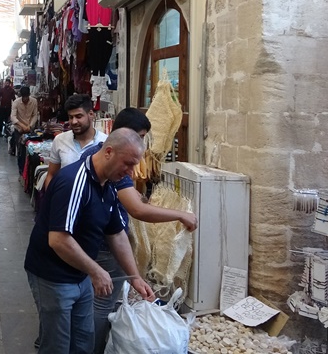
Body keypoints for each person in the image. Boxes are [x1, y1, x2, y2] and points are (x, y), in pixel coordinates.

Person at [24, 128, 155, 354]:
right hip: (52, 275)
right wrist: (95, 271)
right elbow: (58, 239)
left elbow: (116, 234)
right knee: (57, 345)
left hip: (79, 273)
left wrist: (134, 277)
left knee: (84, 341)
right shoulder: (74, 181)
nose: (131, 173)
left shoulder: (108, 185)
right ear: (109, 152)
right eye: (128, 164)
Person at [78, 108, 198, 353]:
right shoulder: (114, 163)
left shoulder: (96, 152)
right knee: (102, 305)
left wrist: (134, 276)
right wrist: (180, 214)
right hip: (104, 246)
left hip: (103, 240)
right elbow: (136, 210)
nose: (142, 143)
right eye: (141, 136)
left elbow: (123, 211)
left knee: (100, 302)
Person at [43, 94, 109, 190]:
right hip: (65, 201)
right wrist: (51, 200)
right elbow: (52, 174)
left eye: (79, 116)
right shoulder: (60, 140)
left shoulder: (105, 142)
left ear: (91, 115)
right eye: (70, 117)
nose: (74, 122)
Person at [9, 86, 38, 156]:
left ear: (29, 95)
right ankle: (21, 164)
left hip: (30, 128)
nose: (25, 99)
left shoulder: (34, 101)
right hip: (19, 129)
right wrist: (22, 126)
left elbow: (35, 115)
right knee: (20, 149)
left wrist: (30, 126)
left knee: (31, 148)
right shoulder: (16, 102)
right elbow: (13, 117)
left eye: (26, 97)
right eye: (23, 97)